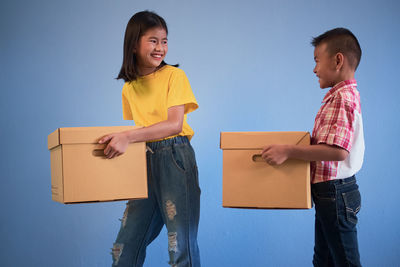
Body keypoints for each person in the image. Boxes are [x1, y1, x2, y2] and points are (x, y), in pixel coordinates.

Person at [98, 11, 201, 267]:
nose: (160, 48)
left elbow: (173, 124)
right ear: (134, 44)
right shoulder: (129, 87)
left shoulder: (175, 77)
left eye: (164, 41)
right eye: (153, 40)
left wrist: (127, 136)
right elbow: (143, 130)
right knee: (125, 246)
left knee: (180, 245)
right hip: (143, 160)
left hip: (176, 158)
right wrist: (123, 140)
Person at [261, 28, 364, 266]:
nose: (314, 69)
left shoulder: (343, 98)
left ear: (338, 60)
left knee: (344, 261)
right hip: (329, 193)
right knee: (324, 260)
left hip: (336, 193)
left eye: (317, 60)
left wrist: (288, 151)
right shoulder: (336, 97)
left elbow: (338, 151)